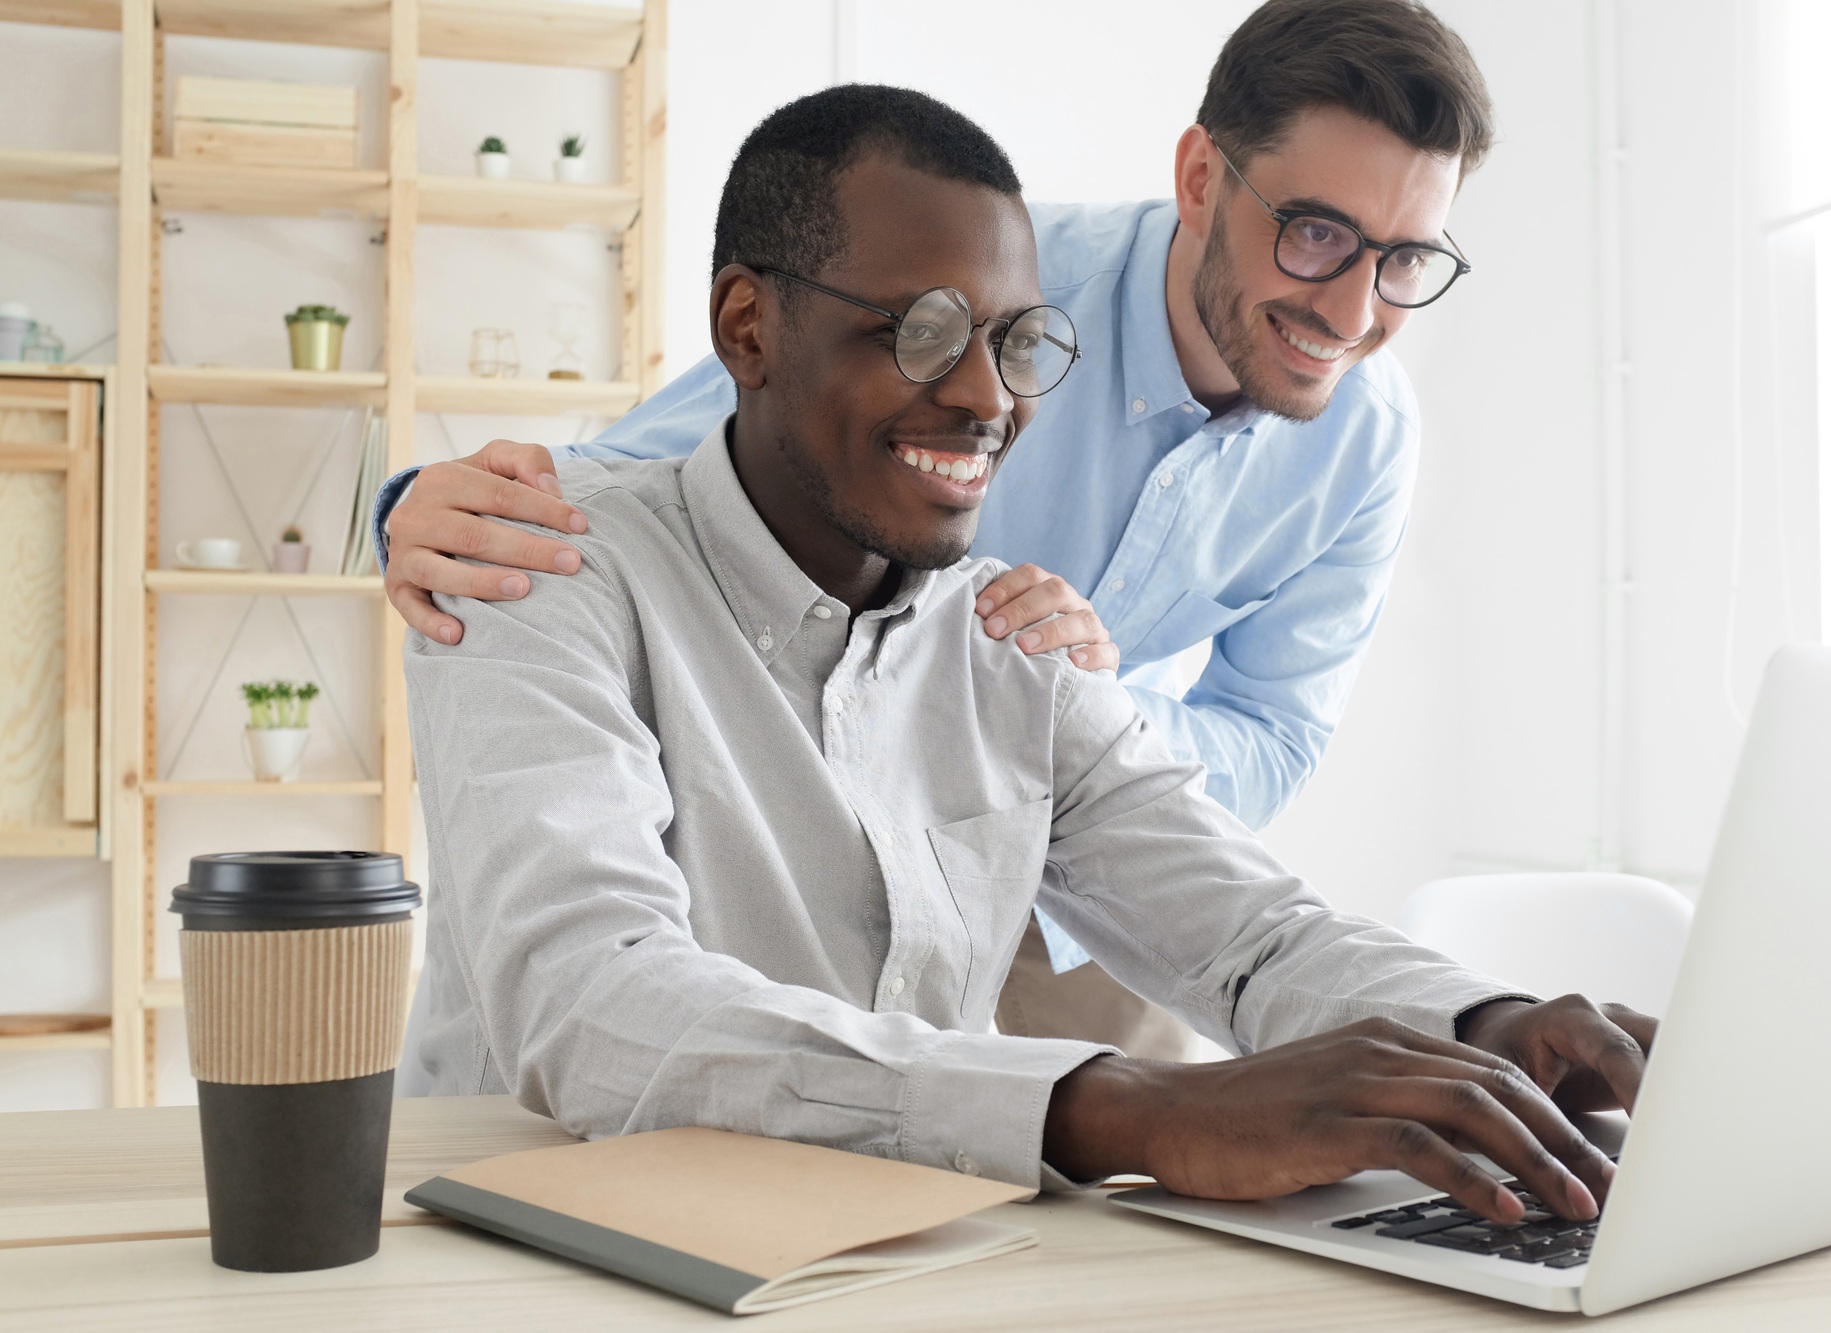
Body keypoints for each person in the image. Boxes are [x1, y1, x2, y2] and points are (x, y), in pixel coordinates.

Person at [405, 84, 1651, 1216]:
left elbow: (1247, 934)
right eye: (922, 333)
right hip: (541, 1245)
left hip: (891, 1248)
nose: (987, 399)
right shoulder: (533, 571)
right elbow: (588, 1005)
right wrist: (1116, 1107)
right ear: (748, 328)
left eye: (1014, 344)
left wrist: (1489, 1022)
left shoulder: (1012, 635)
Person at [380, 0, 1492, 1059]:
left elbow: (1272, 740)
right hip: (819, 835)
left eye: (1404, 261)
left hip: (1086, 891)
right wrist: (414, 508)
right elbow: (650, 479)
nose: (1351, 313)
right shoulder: (981, 271)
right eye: (1311, 235)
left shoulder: (1366, 438)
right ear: (1201, 177)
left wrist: (1067, 710)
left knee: (1118, 1188)